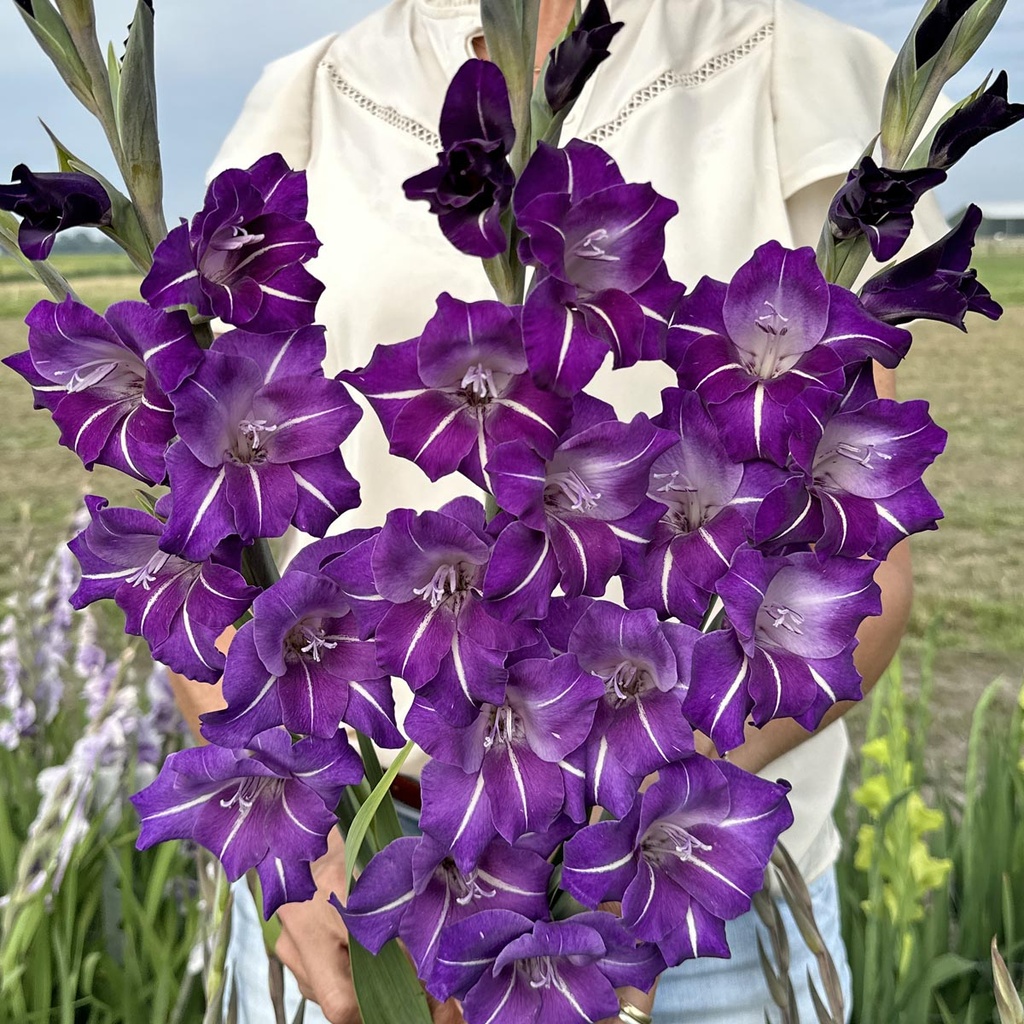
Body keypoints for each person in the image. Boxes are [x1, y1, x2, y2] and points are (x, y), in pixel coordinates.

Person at [168, 1, 950, 1021]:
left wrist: (641, 850)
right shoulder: (309, 94)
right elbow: (203, 536)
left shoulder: (793, 72)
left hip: (679, 918)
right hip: (353, 894)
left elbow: (863, 558)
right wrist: (307, 864)